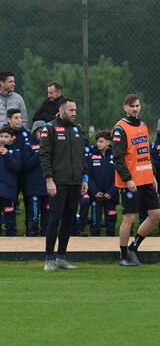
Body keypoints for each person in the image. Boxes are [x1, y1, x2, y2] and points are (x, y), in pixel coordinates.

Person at [40, 98, 88, 272]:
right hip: (58, 182)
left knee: (69, 219)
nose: (74, 113)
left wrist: (84, 178)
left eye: (75, 110)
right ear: (61, 111)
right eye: (71, 110)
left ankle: (61, 258)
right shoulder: (50, 128)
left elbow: (82, 155)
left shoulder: (78, 129)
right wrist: (49, 179)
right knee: (54, 219)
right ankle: (48, 259)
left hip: (75, 182)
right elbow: (44, 156)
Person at [113, 94, 160, 266]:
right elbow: (117, 158)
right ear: (125, 107)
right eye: (131, 106)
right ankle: (123, 255)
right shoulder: (120, 128)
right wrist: (128, 180)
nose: (135, 109)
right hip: (131, 181)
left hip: (146, 177)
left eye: (137, 105)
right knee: (130, 218)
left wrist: (152, 174)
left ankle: (134, 247)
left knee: (155, 215)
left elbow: (146, 153)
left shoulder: (143, 125)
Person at [87, 130, 118, 236]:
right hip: (96, 195)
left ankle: (111, 241)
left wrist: (111, 191)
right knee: (95, 221)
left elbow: (118, 176)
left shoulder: (115, 156)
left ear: (108, 142)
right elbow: (89, 176)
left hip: (111, 195)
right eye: (97, 142)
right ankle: (94, 242)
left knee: (111, 221)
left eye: (101, 141)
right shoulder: (91, 156)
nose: (98, 144)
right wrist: (94, 191)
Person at [23, 121, 49, 237]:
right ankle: (31, 235)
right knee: (34, 215)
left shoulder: (51, 145)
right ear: (34, 132)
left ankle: (46, 237)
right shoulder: (28, 145)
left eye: (45, 132)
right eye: (40, 131)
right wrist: (39, 153)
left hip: (48, 186)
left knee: (47, 215)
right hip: (33, 187)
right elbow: (27, 165)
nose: (42, 134)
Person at [0, 126, 22, 236]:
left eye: (6, 137)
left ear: (12, 138)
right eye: (1, 136)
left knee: (10, 220)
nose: (3, 139)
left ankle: (12, 243)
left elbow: (17, 167)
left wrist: (7, 154)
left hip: (8, 192)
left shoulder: (16, 151)